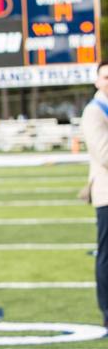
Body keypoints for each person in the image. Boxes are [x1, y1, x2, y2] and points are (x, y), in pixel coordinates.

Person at [81, 60, 108, 328]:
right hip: (106, 193)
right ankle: (107, 311)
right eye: (106, 77)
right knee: (106, 255)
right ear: (97, 81)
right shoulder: (94, 111)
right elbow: (103, 153)